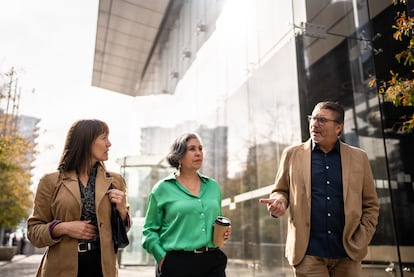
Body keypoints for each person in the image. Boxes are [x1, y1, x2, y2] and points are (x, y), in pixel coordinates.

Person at [259, 101, 379, 277]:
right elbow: (281, 190)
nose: (314, 124)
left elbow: (371, 204)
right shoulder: (292, 154)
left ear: (338, 128)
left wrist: (362, 238)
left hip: (348, 253)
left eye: (322, 120)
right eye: (313, 118)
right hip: (308, 253)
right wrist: (279, 202)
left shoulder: (359, 157)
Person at [27, 119, 131, 277]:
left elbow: (122, 232)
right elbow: (34, 232)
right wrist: (63, 228)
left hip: (102, 270)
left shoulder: (115, 181)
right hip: (60, 270)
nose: (109, 144)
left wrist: (122, 210)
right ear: (86, 141)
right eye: (104, 138)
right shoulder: (50, 182)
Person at [142, 132, 231, 277]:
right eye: (192, 149)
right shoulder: (162, 188)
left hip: (213, 262)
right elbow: (149, 231)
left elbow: (216, 221)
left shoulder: (213, 186)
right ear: (179, 155)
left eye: (200, 149)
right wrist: (162, 258)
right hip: (177, 264)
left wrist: (223, 232)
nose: (198, 153)